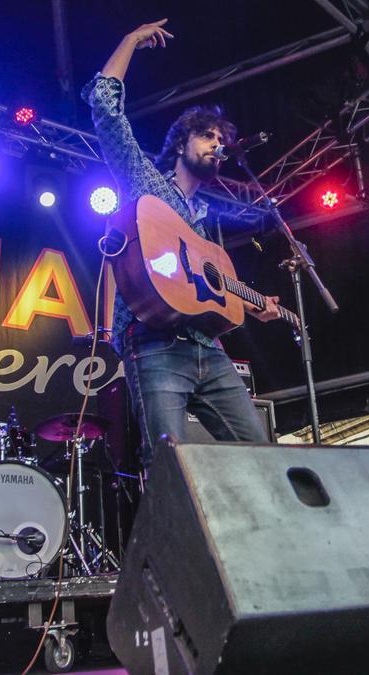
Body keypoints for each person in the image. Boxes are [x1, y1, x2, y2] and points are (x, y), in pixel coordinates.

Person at [83, 19, 281, 469]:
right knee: (168, 465)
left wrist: (252, 304)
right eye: (208, 136)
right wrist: (129, 40)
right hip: (153, 343)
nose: (218, 145)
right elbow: (105, 108)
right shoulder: (147, 185)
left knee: (265, 456)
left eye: (222, 140)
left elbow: (202, 288)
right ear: (180, 144)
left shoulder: (205, 222)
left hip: (208, 350)